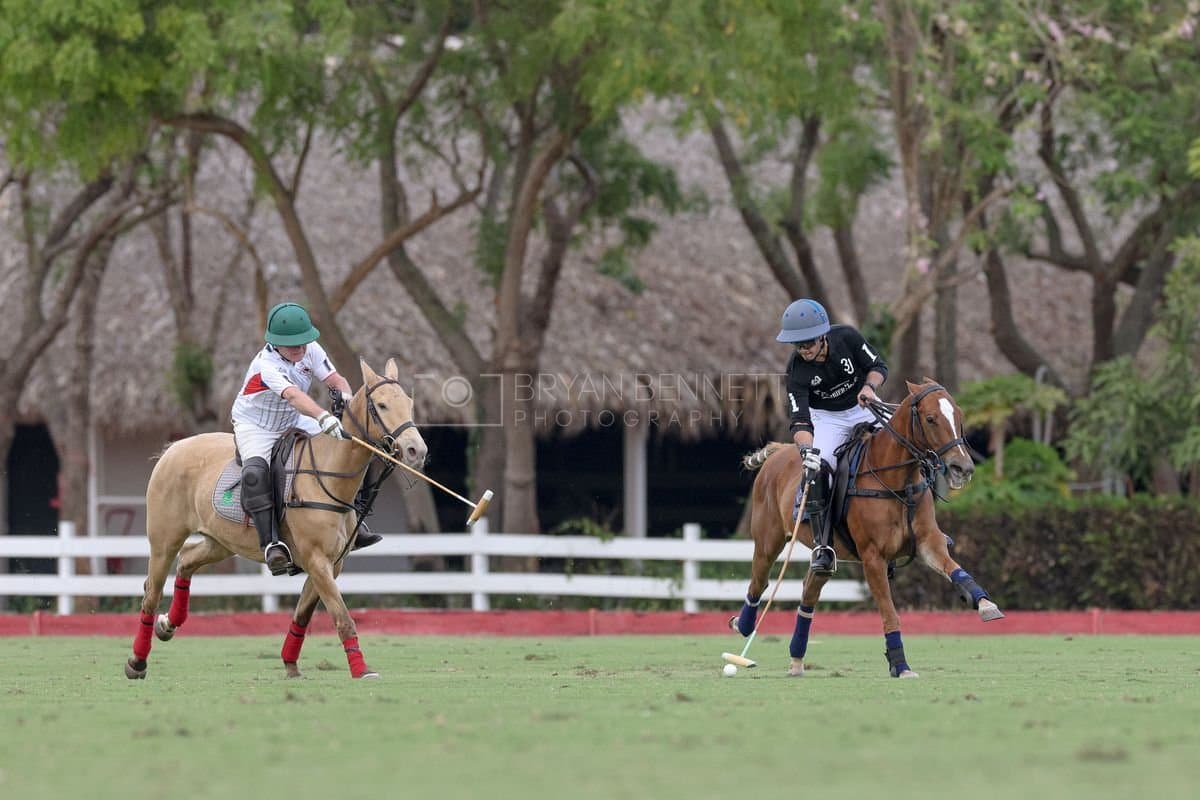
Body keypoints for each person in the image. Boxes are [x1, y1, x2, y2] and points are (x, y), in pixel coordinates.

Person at [231, 301, 381, 576]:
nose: (300, 349)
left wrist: (345, 401)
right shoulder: (266, 365)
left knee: (349, 449)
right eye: (293, 345)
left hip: (293, 418)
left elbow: (336, 379)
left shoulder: (310, 349)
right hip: (256, 425)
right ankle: (272, 544)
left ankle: (354, 523)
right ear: (275, 344)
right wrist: (323, 417)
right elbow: (293, 396)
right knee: (254, 473)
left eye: (303, 342)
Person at [777, 298, 888, 575]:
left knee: (906, 444)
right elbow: (800, 419)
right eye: (798, 344)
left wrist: (869, 387)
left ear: (823, 336)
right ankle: (823, 545)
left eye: (808, 343)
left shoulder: (847, 337)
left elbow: (878, 366)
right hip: (827, 419)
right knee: (820, 468)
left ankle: (924, 522)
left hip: (863, 405)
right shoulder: (797, 371)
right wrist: (807, 451)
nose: (804, 350)